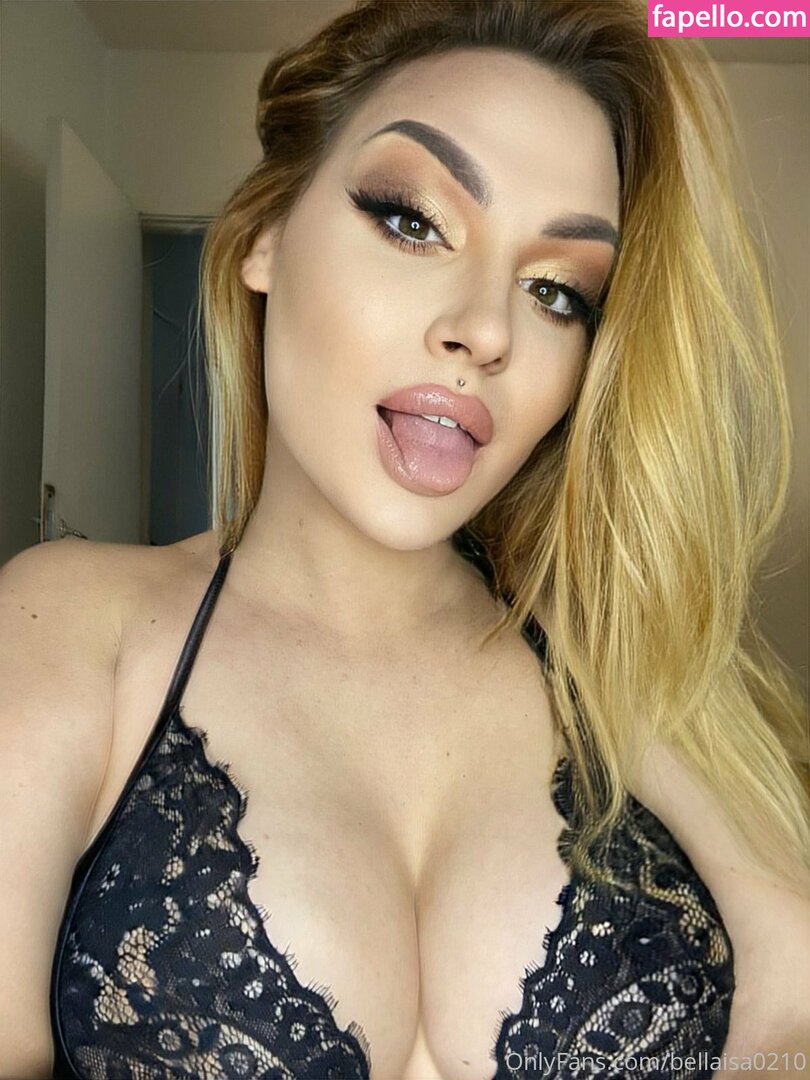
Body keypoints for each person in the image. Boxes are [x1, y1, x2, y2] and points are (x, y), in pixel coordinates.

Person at [1, 0, 808, 1077]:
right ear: (265, 238)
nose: (486, 330)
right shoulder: (67, 623)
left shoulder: (625, 665)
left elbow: (796, 996)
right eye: (414, 222)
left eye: (556, 290)